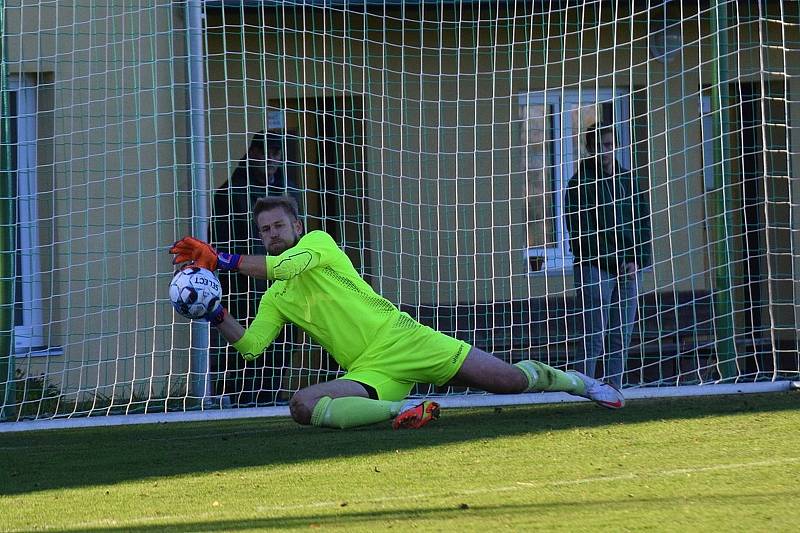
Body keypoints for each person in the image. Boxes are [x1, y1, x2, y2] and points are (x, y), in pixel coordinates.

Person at [171, 195, 625, 430]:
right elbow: (251, 347)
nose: (271, 235)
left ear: (297, 226)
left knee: (507, 381)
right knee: (302, 406)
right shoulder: (276, 298)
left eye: (278, 226)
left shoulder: (317, 244)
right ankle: (403, 409)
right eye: (264, 230)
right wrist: (213, 312)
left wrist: (221, 260)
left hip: (405, 337)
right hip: (370, 368)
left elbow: (283, 265)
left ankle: (577, 382)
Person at [209, 130, 301, 406]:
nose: (272, 160)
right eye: (266, 153)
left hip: (283, 285)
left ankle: (269, 399)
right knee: (243, 352)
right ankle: (238, 401)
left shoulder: (285, 191)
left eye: (277, 153)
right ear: (252, 154)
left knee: (279, 352)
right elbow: (222, 246)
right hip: (244, 291)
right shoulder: (230, 193)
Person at [563, 123, 652, 388]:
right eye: (602, 145)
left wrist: (638, 259)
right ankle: (583, 389)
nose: (607, 151)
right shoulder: (579, 184)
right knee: (593, 336)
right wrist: (616, 261)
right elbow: (581, 235)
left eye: (611, 145)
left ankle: (614, 389)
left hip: (629, 268)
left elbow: (643, 223)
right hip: (595, 268)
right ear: (590, 148)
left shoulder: (629, 180)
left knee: (620, 335)